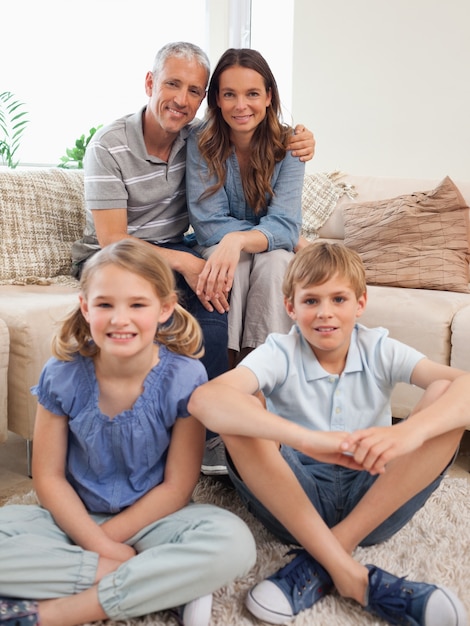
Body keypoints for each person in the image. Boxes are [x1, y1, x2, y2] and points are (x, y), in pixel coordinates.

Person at [188, 241, 469, 626]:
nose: (325, 313)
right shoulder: (279, 351)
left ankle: (325, 556)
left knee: (444, 392)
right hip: (293, 499)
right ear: (291, 307)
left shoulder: (379, 347)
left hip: (375, 498)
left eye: (338, 299)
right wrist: (307, 440)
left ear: (360, 303)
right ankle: (354, 577)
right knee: (242, 407)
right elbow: (205, 401)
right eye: (311, 301)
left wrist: (410, 434)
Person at [71, 41, 315, 475]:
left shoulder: (199, 136)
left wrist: (271, 236)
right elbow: (114, 241)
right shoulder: (114, 145)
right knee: (206, 283)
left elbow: (277, 216)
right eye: (172, 84)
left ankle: (244, 402)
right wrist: (188, 260)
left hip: (177, 248)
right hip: (120, 256)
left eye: (194, 91)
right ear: (150, 82)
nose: (182, 100)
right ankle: (205, 430)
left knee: (231, 286)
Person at [0, 239, 256, 626]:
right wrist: (97, 545)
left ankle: (56, 611)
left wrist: (109, 540)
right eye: (105, 305)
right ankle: (157, 584)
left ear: (165, 308)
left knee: (234, 542)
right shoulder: (61, 373)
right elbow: (49, 478)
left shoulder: (185, 376)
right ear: (85, 307)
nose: (121, 319)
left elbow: (178, 487)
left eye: (137, 305)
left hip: (153, 521)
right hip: (70, 519)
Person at [186, 48, 304, 367]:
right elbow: (209, 224)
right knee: (232, 266)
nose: (241, 106)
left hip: (258, 249)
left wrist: (238, 239)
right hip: (216, 246)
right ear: (217, 101)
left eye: (252, 93)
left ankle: (264, 377)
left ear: (268, 96)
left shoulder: (291, 144)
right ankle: (226, 371)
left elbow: (285, 224)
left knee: (277, 263)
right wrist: (272, 236)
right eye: (229, 94)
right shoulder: (200, 141)